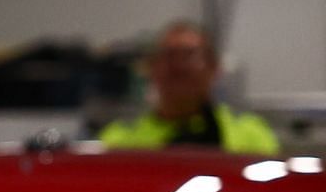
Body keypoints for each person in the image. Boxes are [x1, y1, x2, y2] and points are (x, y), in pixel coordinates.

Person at [97, 20, 280, 154]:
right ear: (151, 68)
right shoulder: (119, 141)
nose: (179, 65)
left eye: (189, 55)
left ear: (214, 68)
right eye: (169, 56)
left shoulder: (252, 137)